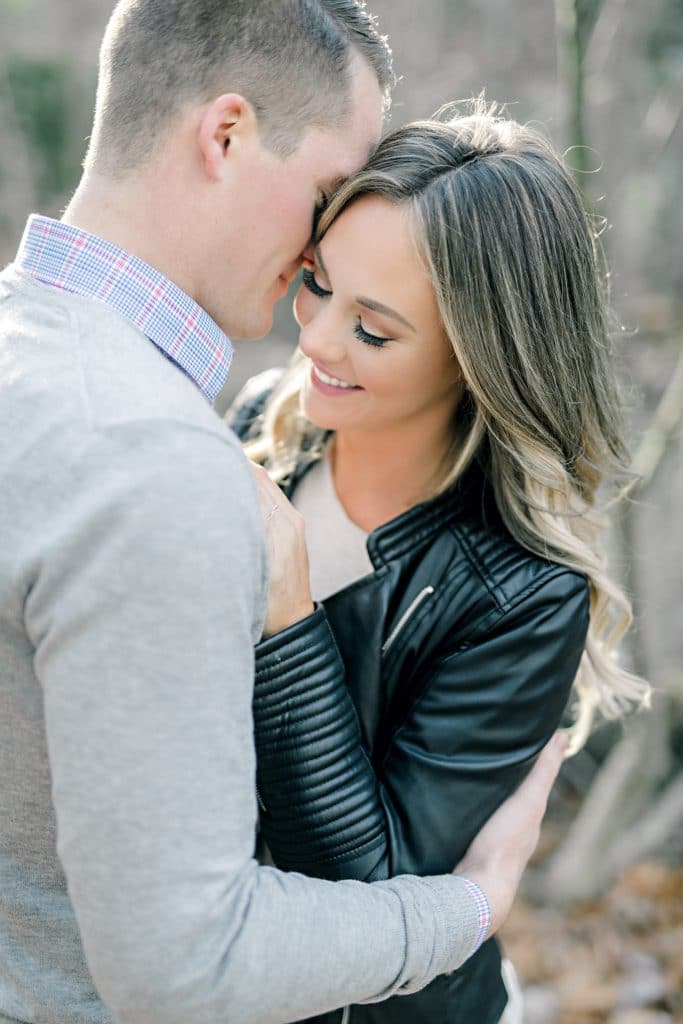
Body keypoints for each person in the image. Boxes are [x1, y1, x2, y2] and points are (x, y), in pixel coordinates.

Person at [0, 5, 567, 1024]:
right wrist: (471, 906)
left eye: (376, 325)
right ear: (223, 134)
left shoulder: (52, 375)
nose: (311, 328)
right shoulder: (180, 448)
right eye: (319, 202)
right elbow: (189, 969)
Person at [229, 104, 650, 1024]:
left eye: (372, 330)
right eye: (315, 286)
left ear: (480, 357)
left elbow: (377, 899)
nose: (315, 342)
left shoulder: (524, 596)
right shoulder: (265, 419)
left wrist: (287, 611)